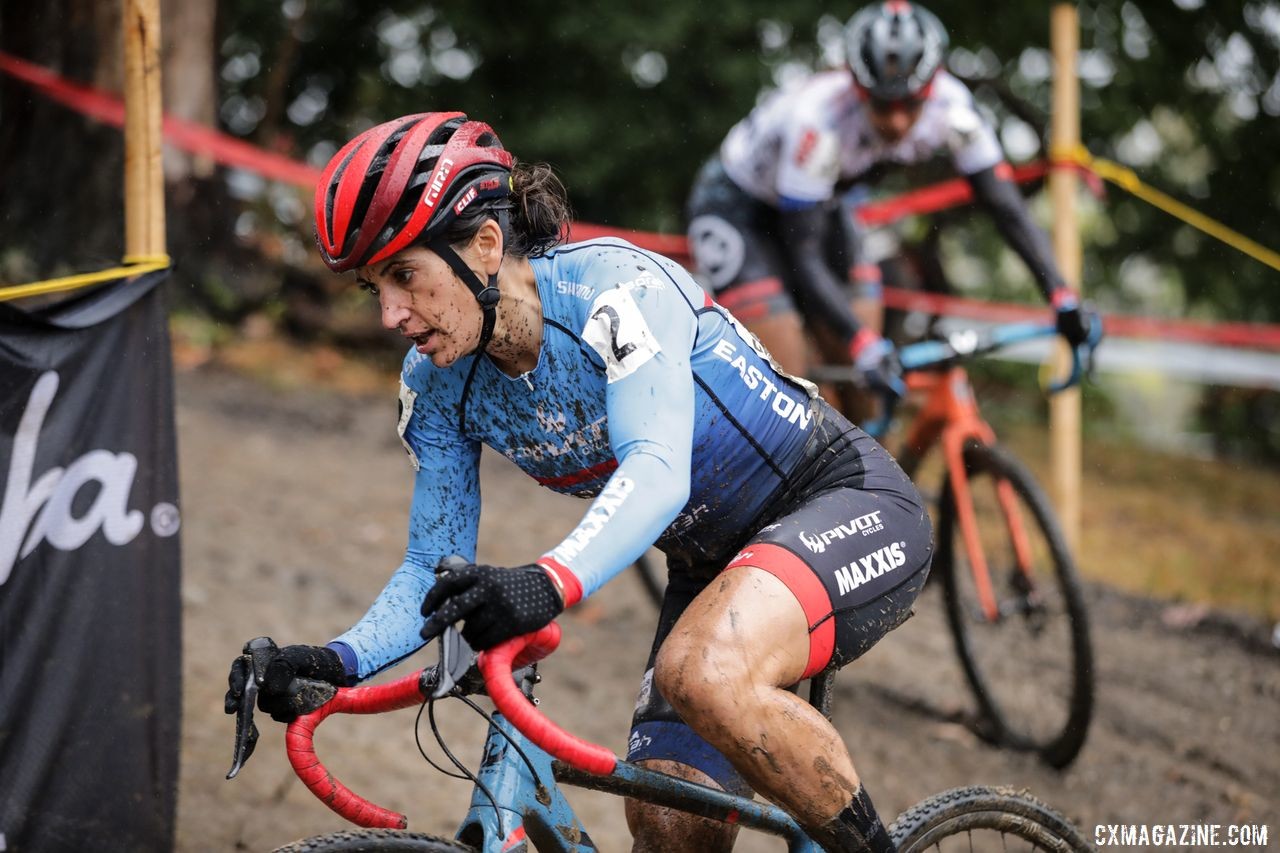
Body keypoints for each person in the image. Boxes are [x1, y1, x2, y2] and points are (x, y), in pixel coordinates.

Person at [225, 111, 933, 853]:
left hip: (841, 501)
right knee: (665, 819)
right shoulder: (436, 384)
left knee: (699, 671)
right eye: (375, 287)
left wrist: (545, 579)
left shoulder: (616, 292)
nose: (391, 314)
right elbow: (423, 567)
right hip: (712, 566)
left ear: (486, 246)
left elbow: (656, 470)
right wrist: (334, 661)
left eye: (405, 275)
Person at [686, 0, 1094, 400]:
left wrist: (1062, 295)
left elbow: (1007, 210)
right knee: (786, 389)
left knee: (866, 394)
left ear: (933, 87)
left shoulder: (953, 111)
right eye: (882, 104)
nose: (897, 121)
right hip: (739, 208)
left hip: (820, 202)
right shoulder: (818, 120)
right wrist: (863, 343)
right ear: (858, 88)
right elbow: (804, 256)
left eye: (911, 104)